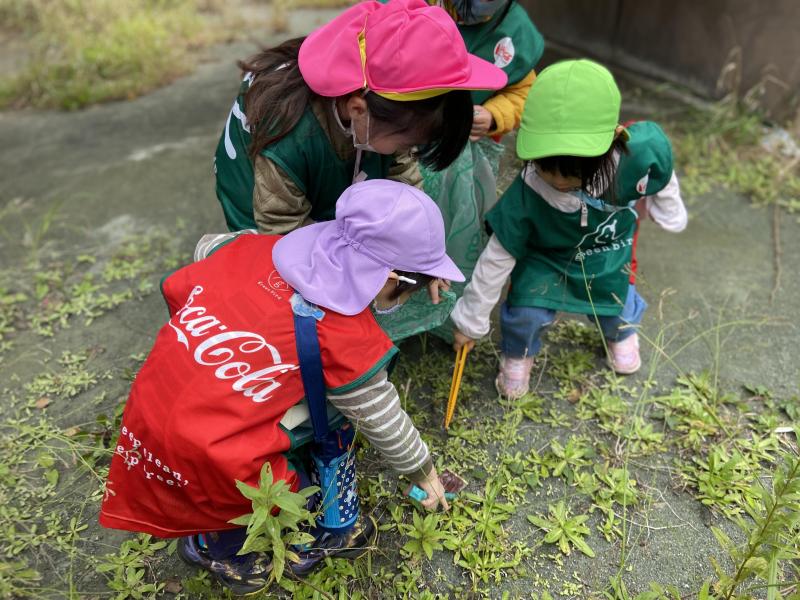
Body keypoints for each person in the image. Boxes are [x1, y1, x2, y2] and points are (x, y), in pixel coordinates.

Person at [99, 180, 464, 594]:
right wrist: (423, 471)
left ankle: (206, 532)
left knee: (217, 453)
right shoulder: (343, 337)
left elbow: (205, 248)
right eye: (407, 290)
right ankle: (225, 552)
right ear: (391, 277)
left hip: (150, 408)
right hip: (212, 453)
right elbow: (382, 416)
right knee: (272, 496)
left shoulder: (247, 247)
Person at [450, 59, 687, 398]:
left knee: (618, 303)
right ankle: (519, 353)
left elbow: (659, 160)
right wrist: (470, 320)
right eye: (545, 168)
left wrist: (667, 208)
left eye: (572, 174)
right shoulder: (527, 193)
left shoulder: (634, 157)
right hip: (546, 258)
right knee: (526, 311)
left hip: (605, 252)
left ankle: (621, 333)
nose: (557, 182)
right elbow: (496, 257)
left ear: (611, 145)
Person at [214, 0, 507, 235]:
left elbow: (402, 178)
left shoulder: (385, 110)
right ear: (357, 109)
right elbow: (283, 230)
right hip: (260, 203)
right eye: (406, 143)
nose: (408, 152)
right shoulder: (289, 140)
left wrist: (419, 246)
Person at [376, 0, 543, 343]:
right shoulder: (408, 7)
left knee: (445, 227)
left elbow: (525, 92)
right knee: (391, 222)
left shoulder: (516, 32)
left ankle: (432, 307)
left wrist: (496, 114)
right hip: (397, 134)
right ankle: (379, 307)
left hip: (457, 158)